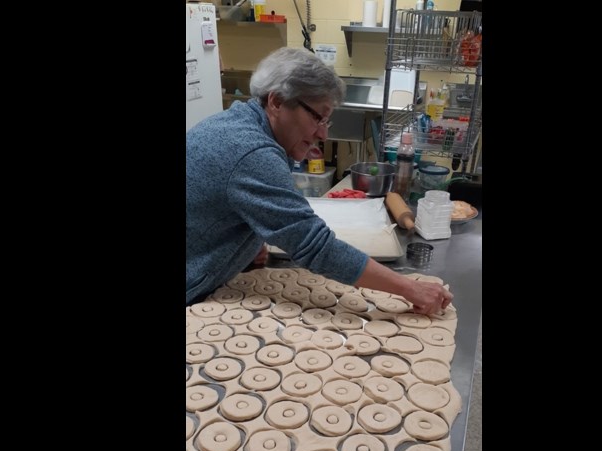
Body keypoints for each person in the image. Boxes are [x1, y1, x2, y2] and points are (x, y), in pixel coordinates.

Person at [186, 47, 452, 315]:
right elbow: (314, 246)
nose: (323, 134)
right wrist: (410, 288)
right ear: (277, 102)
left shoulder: (236, 123)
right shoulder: (251, 152)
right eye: (317, 117)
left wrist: (245, 246)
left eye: (328, 120)